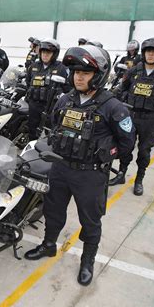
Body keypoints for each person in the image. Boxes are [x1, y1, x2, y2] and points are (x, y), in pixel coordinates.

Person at [24, 45, 135, 286]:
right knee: (52, 211)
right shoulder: (65, 99)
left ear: (100, 75)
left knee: (91, 221)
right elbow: (54, 125)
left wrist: (104, 153)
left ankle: (87, 261)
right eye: (75, 72)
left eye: (85, 73)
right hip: (61, 169)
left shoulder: (112, 106)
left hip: (90, 175)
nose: (79, 77)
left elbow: (127, 143)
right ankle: (48, 244)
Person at [109, 38, 154, 195]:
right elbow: (121, 89)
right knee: (125, 147)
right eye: (148, 51)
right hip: (130, 116)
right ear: (144, 52)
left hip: (150, 119)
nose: (151, 54)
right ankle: (121, 174)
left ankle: (139, 179)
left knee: (144, 151)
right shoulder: (134, 70)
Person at [25, 38, 69, 140]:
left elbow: (68, 88)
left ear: (54, 54)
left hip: (51, 107)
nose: (45, 55)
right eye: (43, 52)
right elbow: (28, 83)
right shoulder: (33, 66)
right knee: (32, 129)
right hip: (34, 105)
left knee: (50, 132)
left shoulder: (61, 68)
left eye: (48, 52)